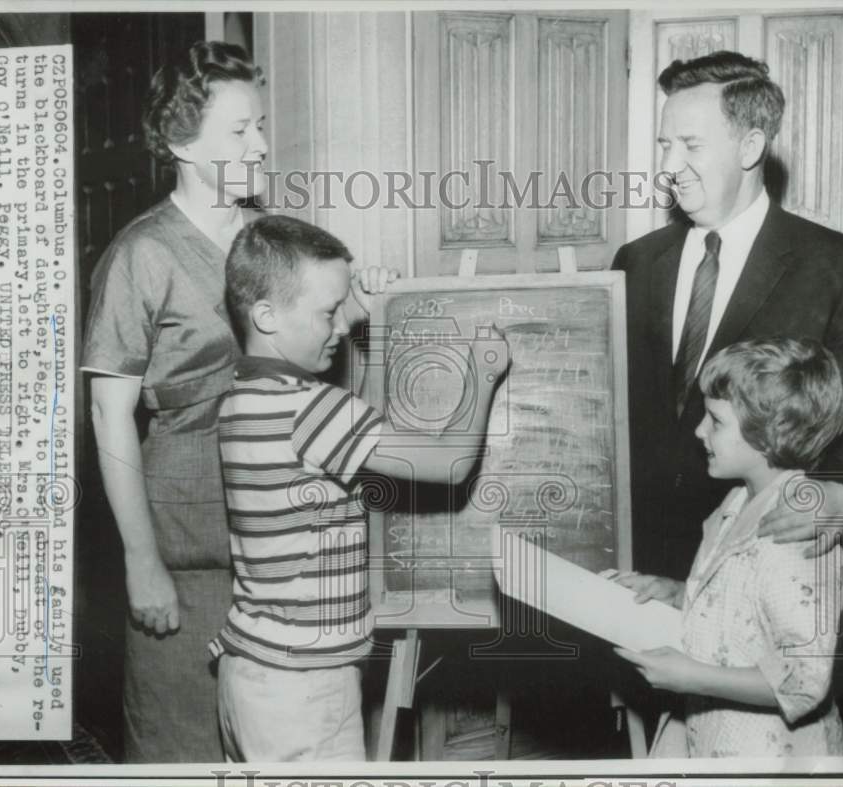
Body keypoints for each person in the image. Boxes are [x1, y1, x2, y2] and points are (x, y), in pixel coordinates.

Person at [209, 215, 509, 761]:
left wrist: (364, 321)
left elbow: (356, 448)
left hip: (253, 672)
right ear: (267, 316)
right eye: (328, 313)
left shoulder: (243, 398)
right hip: (305, 689)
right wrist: (482, 376)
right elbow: (449, 462)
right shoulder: (309, 409)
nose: (341, 327)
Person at [612, 51, 843, 581]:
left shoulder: (838, 267)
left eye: (691, 146)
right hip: (640, 571)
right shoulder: (636, 261)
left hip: (762, 565)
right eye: (665, 146)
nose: (668, 168)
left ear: (750, 146)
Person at [81, 41, 269, 762]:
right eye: (240, 130)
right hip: (182, 551)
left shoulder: (268, 238)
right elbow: (108, 415)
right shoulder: (141, 255)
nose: (260, 144)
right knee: (180, 749)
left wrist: (357, 297)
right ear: (183, 144)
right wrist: (141, 562)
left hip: (270, 542)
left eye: (259, 124)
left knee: (263, 745)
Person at [611, 337, 843, 757]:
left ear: (769, 433)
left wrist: (694, 677)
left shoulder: (796, 530)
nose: (699, 430)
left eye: (715, 420)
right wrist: (676, 592)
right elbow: (741, 610)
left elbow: (804, 681)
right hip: (712, 737)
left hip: (774, 758)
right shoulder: (737, 503)